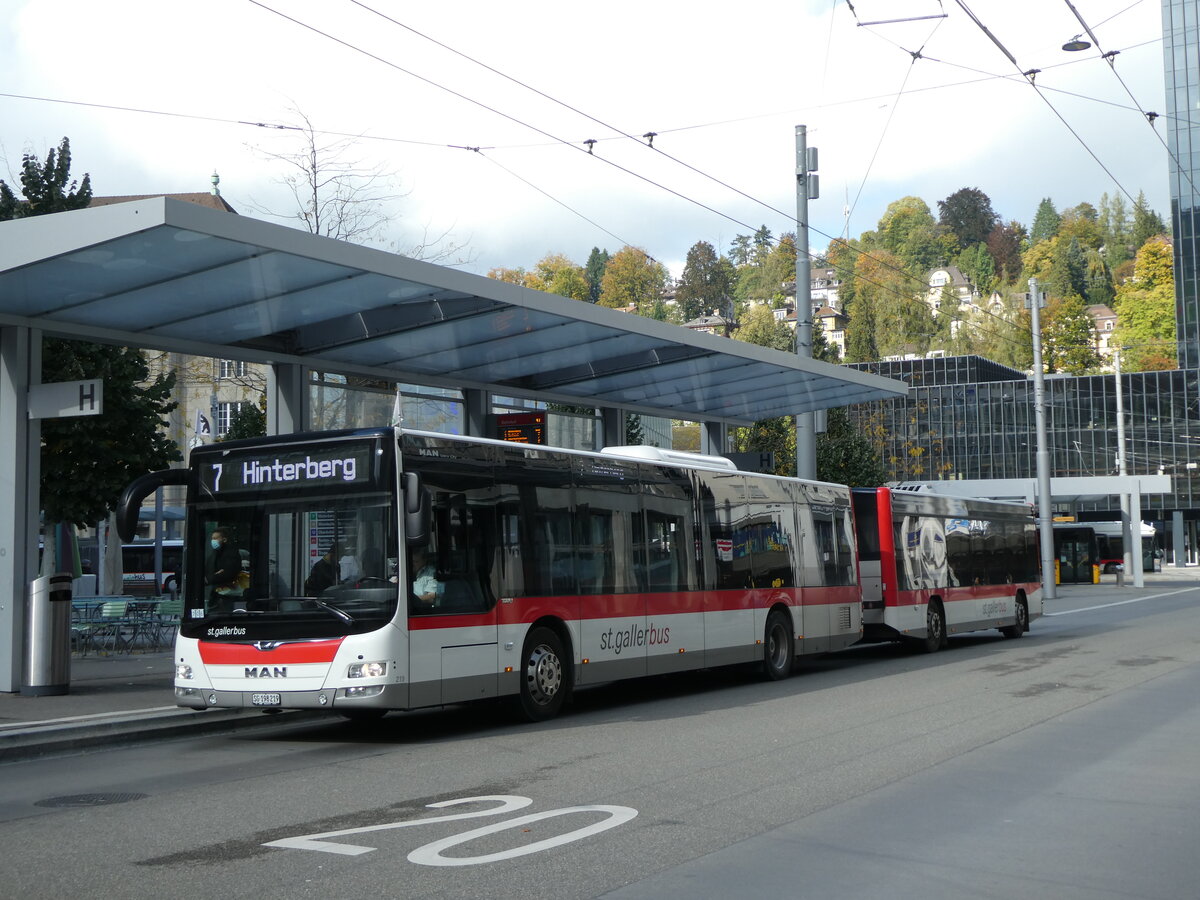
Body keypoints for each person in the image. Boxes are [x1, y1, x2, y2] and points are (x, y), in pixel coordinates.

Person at [205, 528, 243, 603]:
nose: (213, 541)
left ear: (224, 540)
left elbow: (227, 574)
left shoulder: (231, 554)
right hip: (215, 595)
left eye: (215, 538)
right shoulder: (214, 554)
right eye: (212, 538)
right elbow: (208, 570)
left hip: (228, 596)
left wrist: (210, 578)